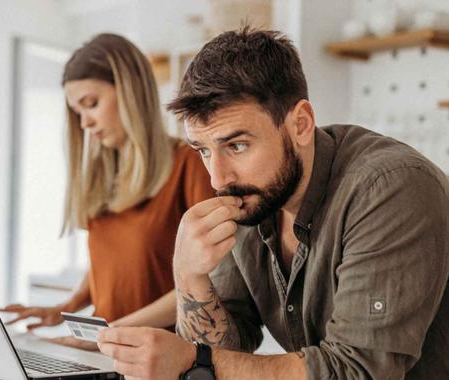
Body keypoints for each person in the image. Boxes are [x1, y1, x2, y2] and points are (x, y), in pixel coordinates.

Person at [97, 27, 448, 379]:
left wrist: (195, 361)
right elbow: (227, 349)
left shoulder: (390, 188)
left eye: (237, 146)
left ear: (301, 124)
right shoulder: (254, 199)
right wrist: (189, 275)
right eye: (204, 150)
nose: (219, 180)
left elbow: (358, 370)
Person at [0, 33, 213, 347]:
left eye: (91, 104)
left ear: (131, 92)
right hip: (104, 349)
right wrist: (66, 308)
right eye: (77, 112)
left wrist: (109, 333)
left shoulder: (189, 165)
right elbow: (110, 262)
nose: (85, 122)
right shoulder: (105, 177)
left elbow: (211, 284)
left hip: (158, 356)